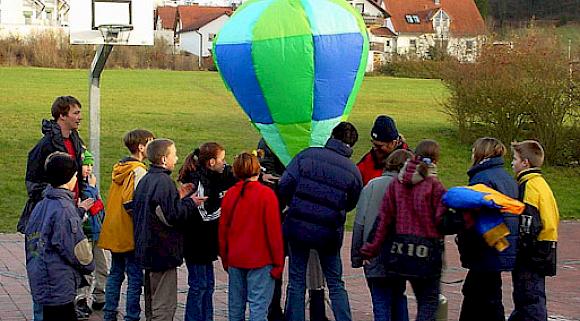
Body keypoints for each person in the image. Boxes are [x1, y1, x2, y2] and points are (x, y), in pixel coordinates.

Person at [19, 96, 94, 321]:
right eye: (75, 113)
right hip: (58, 211)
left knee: (62, 272)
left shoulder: (75, 139)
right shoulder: (45, 146)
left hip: (74, 209)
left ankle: (73, 304)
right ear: (62, 115)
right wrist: (59, 199)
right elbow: (32, 183)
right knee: (48, 267)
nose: (80, 117)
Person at [279, 122, 363, 321]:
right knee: (335, 282)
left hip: (298, 226)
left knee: (297, 280)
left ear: (332, 136)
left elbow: (285, 184)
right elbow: (351, 202)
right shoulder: (353, 171)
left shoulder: (307, 155)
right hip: (329, 232)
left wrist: (294, 203)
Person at [360, 140, 447, 321]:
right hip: (427, 252)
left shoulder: (397, 184)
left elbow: (383, 220)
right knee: (428, 301)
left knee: (396, 296)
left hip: (399, 250)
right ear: (436, 160)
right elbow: (442, 221)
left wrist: (370, 249)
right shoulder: (434, 186)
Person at [133, 138, 202, 321]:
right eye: (174, 154)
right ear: (164, 159)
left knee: (152, 301)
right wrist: (190, 203)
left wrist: (177, 197)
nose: (177, 158)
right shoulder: (164, 182)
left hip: (147, 248)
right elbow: (172, 217)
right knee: (163, 305)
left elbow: (155, 209)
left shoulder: (146, 179)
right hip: (162, 251)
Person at [25, 152, 95, 321]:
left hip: (41, 275)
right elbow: (74, 247)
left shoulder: (43, 204)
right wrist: (89, 265)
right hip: (58, 282)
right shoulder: (65, 208)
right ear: (70, 177)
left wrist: (79, 211)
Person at [456, 138, 519, 321]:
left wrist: (464, 242)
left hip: (484, 246)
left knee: (477, 298)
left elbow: (473, 217)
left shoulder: (482, 179)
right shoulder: (506, 177)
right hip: (500, 244)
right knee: (490, 296)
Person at [219, 151, 285, 321]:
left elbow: (223, 231)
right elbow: (274, 232)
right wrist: (278, 262)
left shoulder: (230, 195)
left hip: (236, 258)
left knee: (235, 307)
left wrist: (225, 258)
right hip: (261, 259)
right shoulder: (266, 195)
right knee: (258, 307)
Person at [98, 129, 155, 321]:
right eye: (150, 143)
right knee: (134, 276)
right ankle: (132, 316)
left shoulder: (120, 168)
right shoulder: (138, 171)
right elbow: (133, 203)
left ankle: (109, 313)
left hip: (115, 229)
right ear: (141, 147)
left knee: (115, 273)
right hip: (130, 231)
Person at [351, 149, 414, 321]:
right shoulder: (413, 189)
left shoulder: (372, 186)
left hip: (375, 253)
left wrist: (357, 255)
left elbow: (360, 224)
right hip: (401, 253)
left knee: (380, 301)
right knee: (399, 297)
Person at [178, 142, 237, 321]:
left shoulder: (214, 175)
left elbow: (231, 176)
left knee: (208, 285)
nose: (224, 163)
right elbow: (205, 214)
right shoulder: (198, 182)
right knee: (198, 286)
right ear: (211, 162)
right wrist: (225, 207)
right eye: (221, 159)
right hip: (196, 242)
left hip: (206, 243)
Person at [509, 140, 559, 321]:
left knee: (529, 300)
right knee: (529, 300)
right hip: (545, 248)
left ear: (525, 163)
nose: (512, 163)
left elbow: (529, 224)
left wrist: (519, 249)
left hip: (532, 253)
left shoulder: (529, 186)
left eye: (515, 159)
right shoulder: (541, 184)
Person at [75, 149, 108, 317]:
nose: (88, 168)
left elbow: (100, 207)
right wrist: (94, 189)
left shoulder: (91, 184)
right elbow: (92, 205)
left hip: (97, 233)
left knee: (102, 267)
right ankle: (81, 299)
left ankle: (100, 296)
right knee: (86, 268)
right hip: (85, 234)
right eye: (84, 165)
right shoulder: (80, 187)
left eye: (90, 165)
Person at [357, 115, 409, 186]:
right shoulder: (368, 158)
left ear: (393, 143)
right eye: (374, 143)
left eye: (379, 146)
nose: (374, 148)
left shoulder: (409, 163)